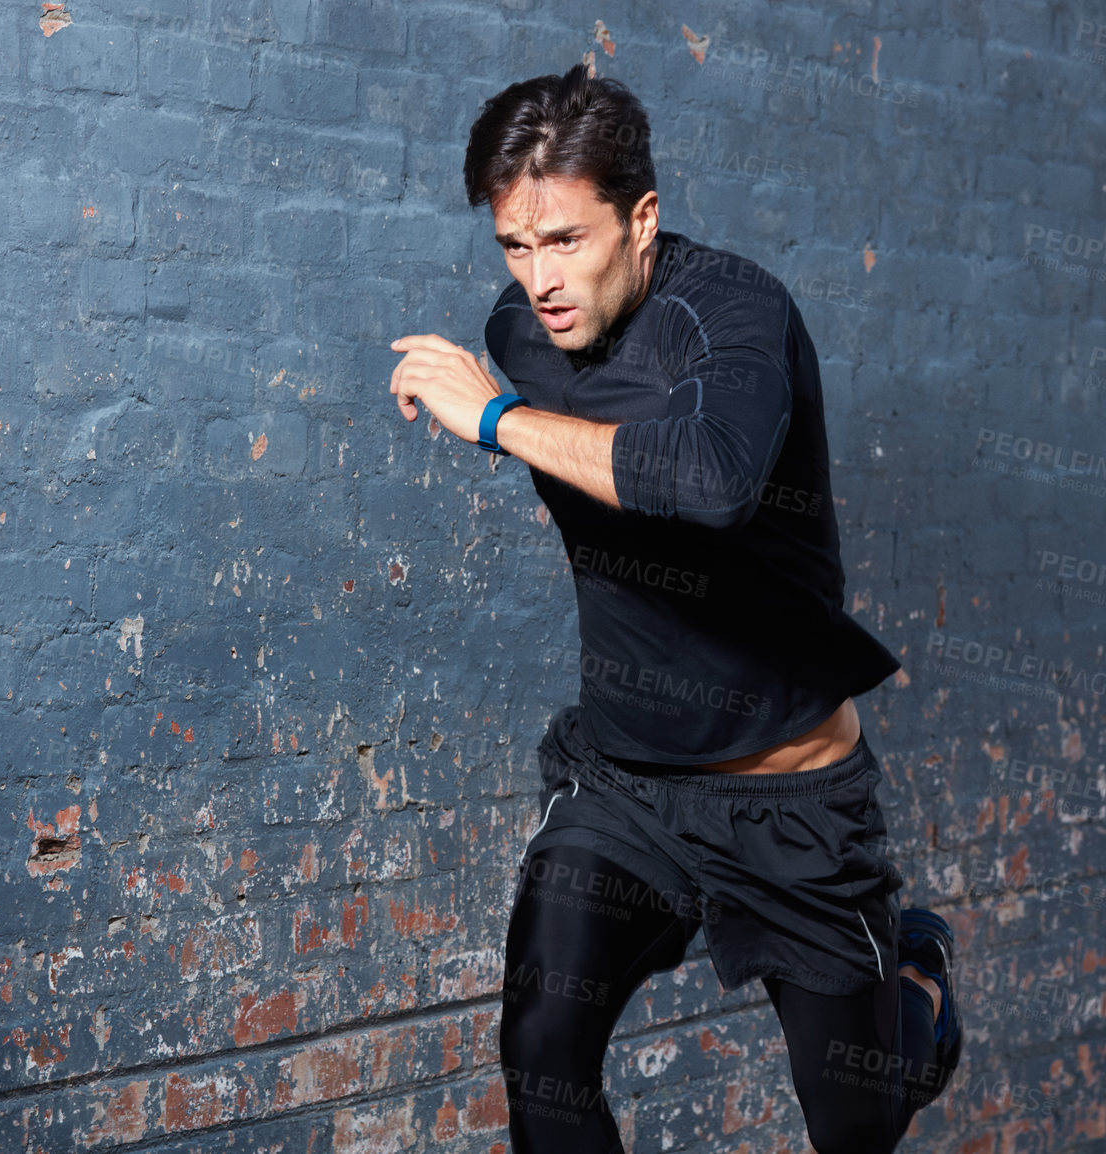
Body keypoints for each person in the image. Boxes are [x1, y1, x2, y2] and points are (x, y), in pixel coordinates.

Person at [388, 62, 963, 1154]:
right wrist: (506, 398)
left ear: (640, 218)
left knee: (858, 1122)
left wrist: (498, 420)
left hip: (788, 798)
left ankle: (920, 984)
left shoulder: (734, 315)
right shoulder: (517, 336)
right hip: (626, 781)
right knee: (543, 1052)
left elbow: (710, 479)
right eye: (516, 244)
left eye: (567, 240)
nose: (539, 278)